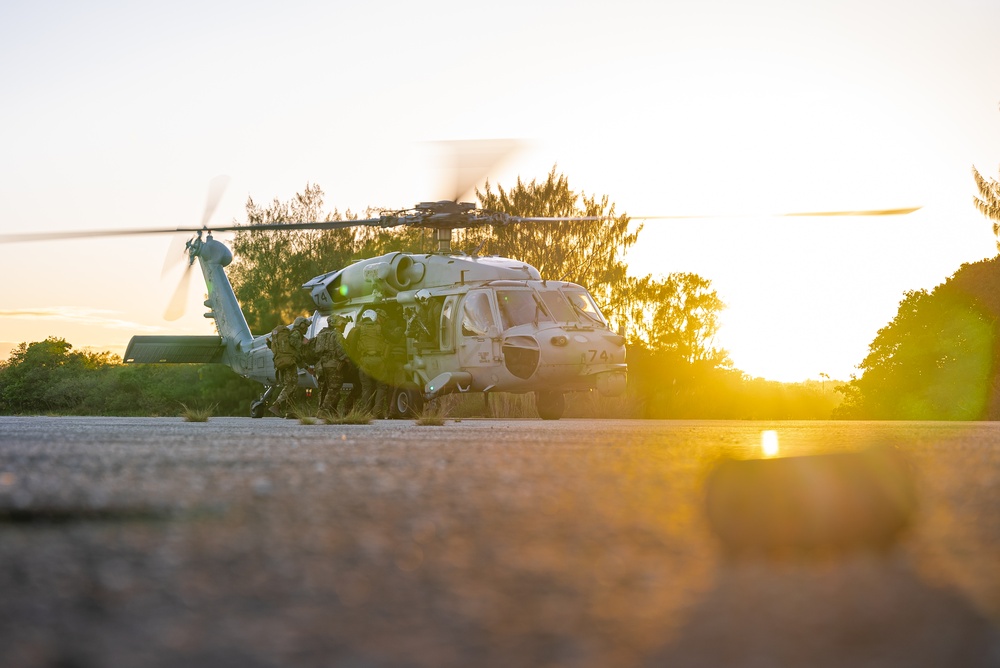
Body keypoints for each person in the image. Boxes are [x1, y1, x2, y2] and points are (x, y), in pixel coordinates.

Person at [349, 309, 388, 417]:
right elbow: (393, 339)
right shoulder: (380, 328)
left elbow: (352, 350)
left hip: (365, 361)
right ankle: (378, 412)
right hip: (379, 361)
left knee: (366, 387)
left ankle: (366, 412)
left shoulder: (358, 330)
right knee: (381, 386)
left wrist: (356, 363)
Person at [269, 316, 311, 416]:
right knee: (291, 385)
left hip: (286, 362)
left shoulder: (293, 334)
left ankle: (290, 411)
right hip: (289, 364)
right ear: (302, 325)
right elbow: (294, 343)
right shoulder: (296, 333)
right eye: (306, 326)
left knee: (292, 386)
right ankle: (276, 405)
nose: (307, 328)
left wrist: (306, 367)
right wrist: (304, 344)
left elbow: (296, 355)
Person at [314, 314, 349, 418]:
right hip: (334, 365)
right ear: (337, 323)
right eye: (343, 324)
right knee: (334, 388)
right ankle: (323, 410)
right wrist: (348, 360)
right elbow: (340, 351)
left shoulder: (321, 334)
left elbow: (315, 350)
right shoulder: (336, 335)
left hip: (322, 365)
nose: (344, 326)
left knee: (325, 388)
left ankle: (332, 411)